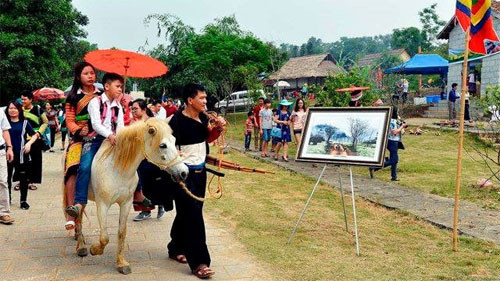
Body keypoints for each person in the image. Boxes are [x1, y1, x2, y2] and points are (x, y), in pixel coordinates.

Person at [166, 83, 224, 279]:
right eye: (202, 98)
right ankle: (199, 262)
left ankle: (175, 247)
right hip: (183, 176)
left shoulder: (203, 118)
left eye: (206, 98)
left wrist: (218, 129)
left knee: (189, 213)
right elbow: (165, 146)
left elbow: (207, 138)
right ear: (190, 100)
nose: (205, 101)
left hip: (201, 172)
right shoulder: (175, 122)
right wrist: (176, 153)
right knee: (194, 217)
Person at [65, 72, 125, 219]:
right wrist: (110, 135)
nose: (120, 90)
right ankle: (78, 203)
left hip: (113, 140)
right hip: (93, 140)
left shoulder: (119, 105)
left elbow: (121, 125)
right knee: (84, 167)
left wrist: (119, 136)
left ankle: (137, 193)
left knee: (131, 160)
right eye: (117, 86)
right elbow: (96, 125)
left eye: (121, 87)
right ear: (106, 86)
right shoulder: (95, 102)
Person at [63, 62, 101, 230]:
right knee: (72, 169)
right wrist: (79, 131)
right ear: (79, 77)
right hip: (80, 140)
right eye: (86, 73)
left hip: (102, 136)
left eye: (92, 73)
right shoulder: (72, 97)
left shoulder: (103, 95)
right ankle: (72, 210)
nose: (90, 76)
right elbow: (69, 121)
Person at [129, 99, 166, 221]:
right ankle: (145, 211)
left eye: (135, 108)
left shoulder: (152, 122)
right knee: (142, 184)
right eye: (132, 109)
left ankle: (161, 205)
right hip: (140, 158)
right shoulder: (134, 123)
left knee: (156, 182)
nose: (133, 111)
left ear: (143, 109)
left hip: (153, 158)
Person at [5, 102, 39, 210]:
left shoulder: (24, 123)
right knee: (6, 179)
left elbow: (34, 135)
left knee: (23, 179)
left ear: (19, 110)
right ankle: (7, 199)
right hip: (7, 155)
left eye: (15, 108)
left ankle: (23, 201)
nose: (12, 110)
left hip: (22, 155)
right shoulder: (4, 123)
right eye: (10, 108)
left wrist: (29, 143)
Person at [369, 107, 407, 181]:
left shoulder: (394, 120)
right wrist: (402, 126)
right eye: (397, 112)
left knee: (393, 158)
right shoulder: (392, 121)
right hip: (392, 141)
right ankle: (374, 168)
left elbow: (399, 130)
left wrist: (402, 125)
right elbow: (394, 132)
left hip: (393, 141)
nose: (398, 113)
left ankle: (394, 176)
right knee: (394, 160)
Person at [21, 92, 48, 191]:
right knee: (22, 160)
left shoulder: (37, 109)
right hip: (22, 138)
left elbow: (45, 122)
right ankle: (22, 181)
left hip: (35, 137)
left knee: (35, 160)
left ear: (31, 99)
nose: (22, 101)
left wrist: (39, 133)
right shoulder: (19, 110)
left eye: (24, 99)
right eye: (22, 99)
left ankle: (32, 181)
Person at [0, 106, 14, 224]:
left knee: (3, 181)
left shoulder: (0, 111)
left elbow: (5, 130)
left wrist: (9, 147)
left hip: (0, 151)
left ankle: (4, 212)